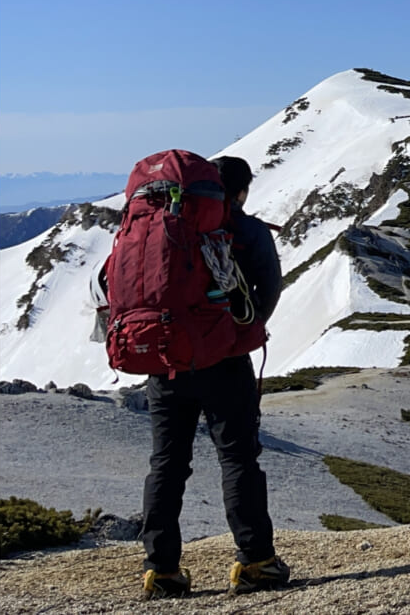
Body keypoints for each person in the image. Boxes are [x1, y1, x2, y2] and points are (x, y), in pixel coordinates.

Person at [141, 155, 288, 599]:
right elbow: (268, 293)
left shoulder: (156, 226)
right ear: (240, 192)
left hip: (165, 363)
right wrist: (242, 328)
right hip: (225, 361)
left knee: (167, 464)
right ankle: (256, 562)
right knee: (239, 459)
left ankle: (161, 571)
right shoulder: (247, 230)